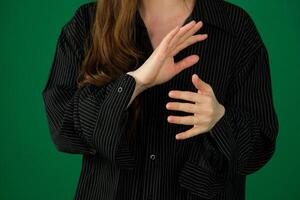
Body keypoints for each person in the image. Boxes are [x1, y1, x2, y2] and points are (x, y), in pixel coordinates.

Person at [41, 0, 279, 199]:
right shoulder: (87, 23)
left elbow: (260, 144)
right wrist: (134, 83)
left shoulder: (236, 28)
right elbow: (62, 129)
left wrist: (220, 120)